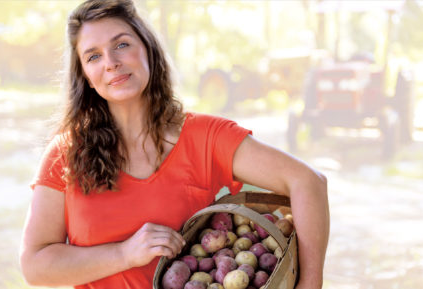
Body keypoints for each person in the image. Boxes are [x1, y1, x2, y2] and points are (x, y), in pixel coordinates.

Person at [19, 1, 329, 288]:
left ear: (148, 49)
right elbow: (35, 265)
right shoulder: (66, 154)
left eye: (122, 44)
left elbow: (307, 181)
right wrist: (125, 254)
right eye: (94, 56)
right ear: (85, 75)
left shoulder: (205, 137)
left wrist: (309, 283)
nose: (111, 63)